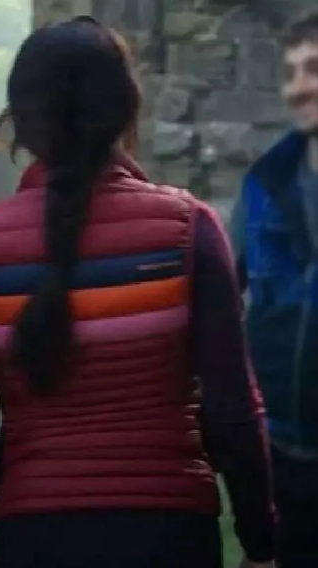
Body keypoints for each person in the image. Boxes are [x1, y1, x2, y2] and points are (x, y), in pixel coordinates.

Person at [0, 17, 275, 568]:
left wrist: (32, 478)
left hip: (34, 542)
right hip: (170, 535)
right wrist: (262, 544)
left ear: (19, 121)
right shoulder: (187, 229)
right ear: (127, 110)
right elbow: (233, 411)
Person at [230, 11, 318, 568]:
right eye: (290, 72)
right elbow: (223, 297)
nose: (300, 86)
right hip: (280, 450)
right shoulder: (262, 184)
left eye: (313, 68)